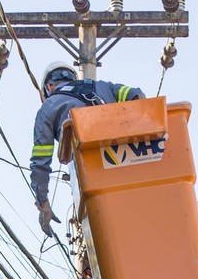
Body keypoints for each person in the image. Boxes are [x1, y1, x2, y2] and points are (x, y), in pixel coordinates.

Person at [30, 61, 147, 231]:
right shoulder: (102, 87)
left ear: (49, 86)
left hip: (88, 174)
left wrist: (43, 202)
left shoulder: (48, 107)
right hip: (128, 163)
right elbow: (137, 95)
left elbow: (40, 161)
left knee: (104, 231)